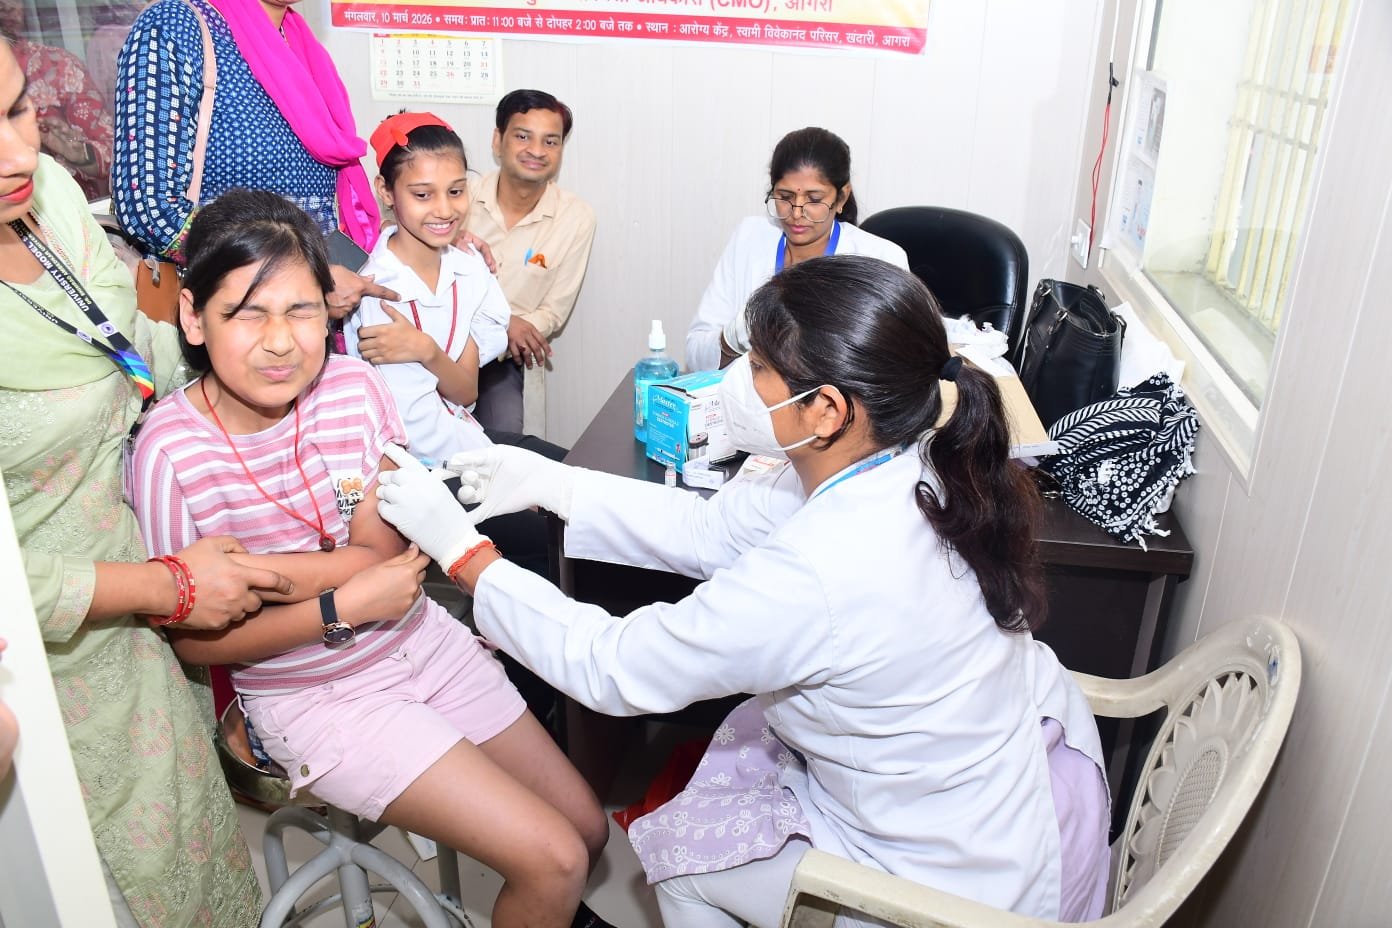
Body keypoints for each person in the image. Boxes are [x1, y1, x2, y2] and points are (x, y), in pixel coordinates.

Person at [376, 255, 1112, 926]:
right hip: (1003, 774)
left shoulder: (820, 571)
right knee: (744, 744)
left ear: (826, 410)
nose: (735, 380)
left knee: (682, 860)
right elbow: (711, 531)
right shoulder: (912, 449)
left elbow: (614, 665)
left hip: (947, 866)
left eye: (758, 365)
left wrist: (466, 555)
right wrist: (551, 482)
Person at [127, 187, 613, 928]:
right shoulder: (169, 451)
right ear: (193, 317)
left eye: (302, 310)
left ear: (332, 308)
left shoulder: (355, 390)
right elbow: (195, 637)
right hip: (313, 695)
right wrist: (339, 604)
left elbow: (384, 550)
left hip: (416, 638)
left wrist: (263, 578)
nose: (281, 342)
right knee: (555, 860)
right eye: (246, 313)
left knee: (587, 831)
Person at [0, 38, 297, 926]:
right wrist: (167, 586)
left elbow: (130, 348)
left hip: (135, 608)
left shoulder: (45, 196)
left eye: (17, 109)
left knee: (188, 847)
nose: (20, 153)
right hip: (47, 654)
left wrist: (248, 341)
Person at [110, 0, 396, 313]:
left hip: (311, 316)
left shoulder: (301, 45)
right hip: (225, 317)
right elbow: (149, 210)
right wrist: (302, 276)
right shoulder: (176, 25)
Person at [685, 126, 909, 372]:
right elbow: (696, 357)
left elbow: (893, 372)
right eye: (785, 196)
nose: (797, 213)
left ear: (842, 198)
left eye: (814, 200)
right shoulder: (749, 238)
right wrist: (730, 341)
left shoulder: (880, 259)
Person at [465, 88, 595, 433]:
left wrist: (501, 333)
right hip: (439, 339)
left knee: (505, 438)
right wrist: (503, 321)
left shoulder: (576, 217)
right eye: (523, 137)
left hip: (501, 359)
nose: (536, 151)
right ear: (498, 140)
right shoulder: (459, 195)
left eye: (550, 142)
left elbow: (552, 312)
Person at [0, 0, 114, 200]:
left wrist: (79, 151)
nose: (7, 4)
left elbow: (115, 153)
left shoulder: (57, 66)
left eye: (19, 110)